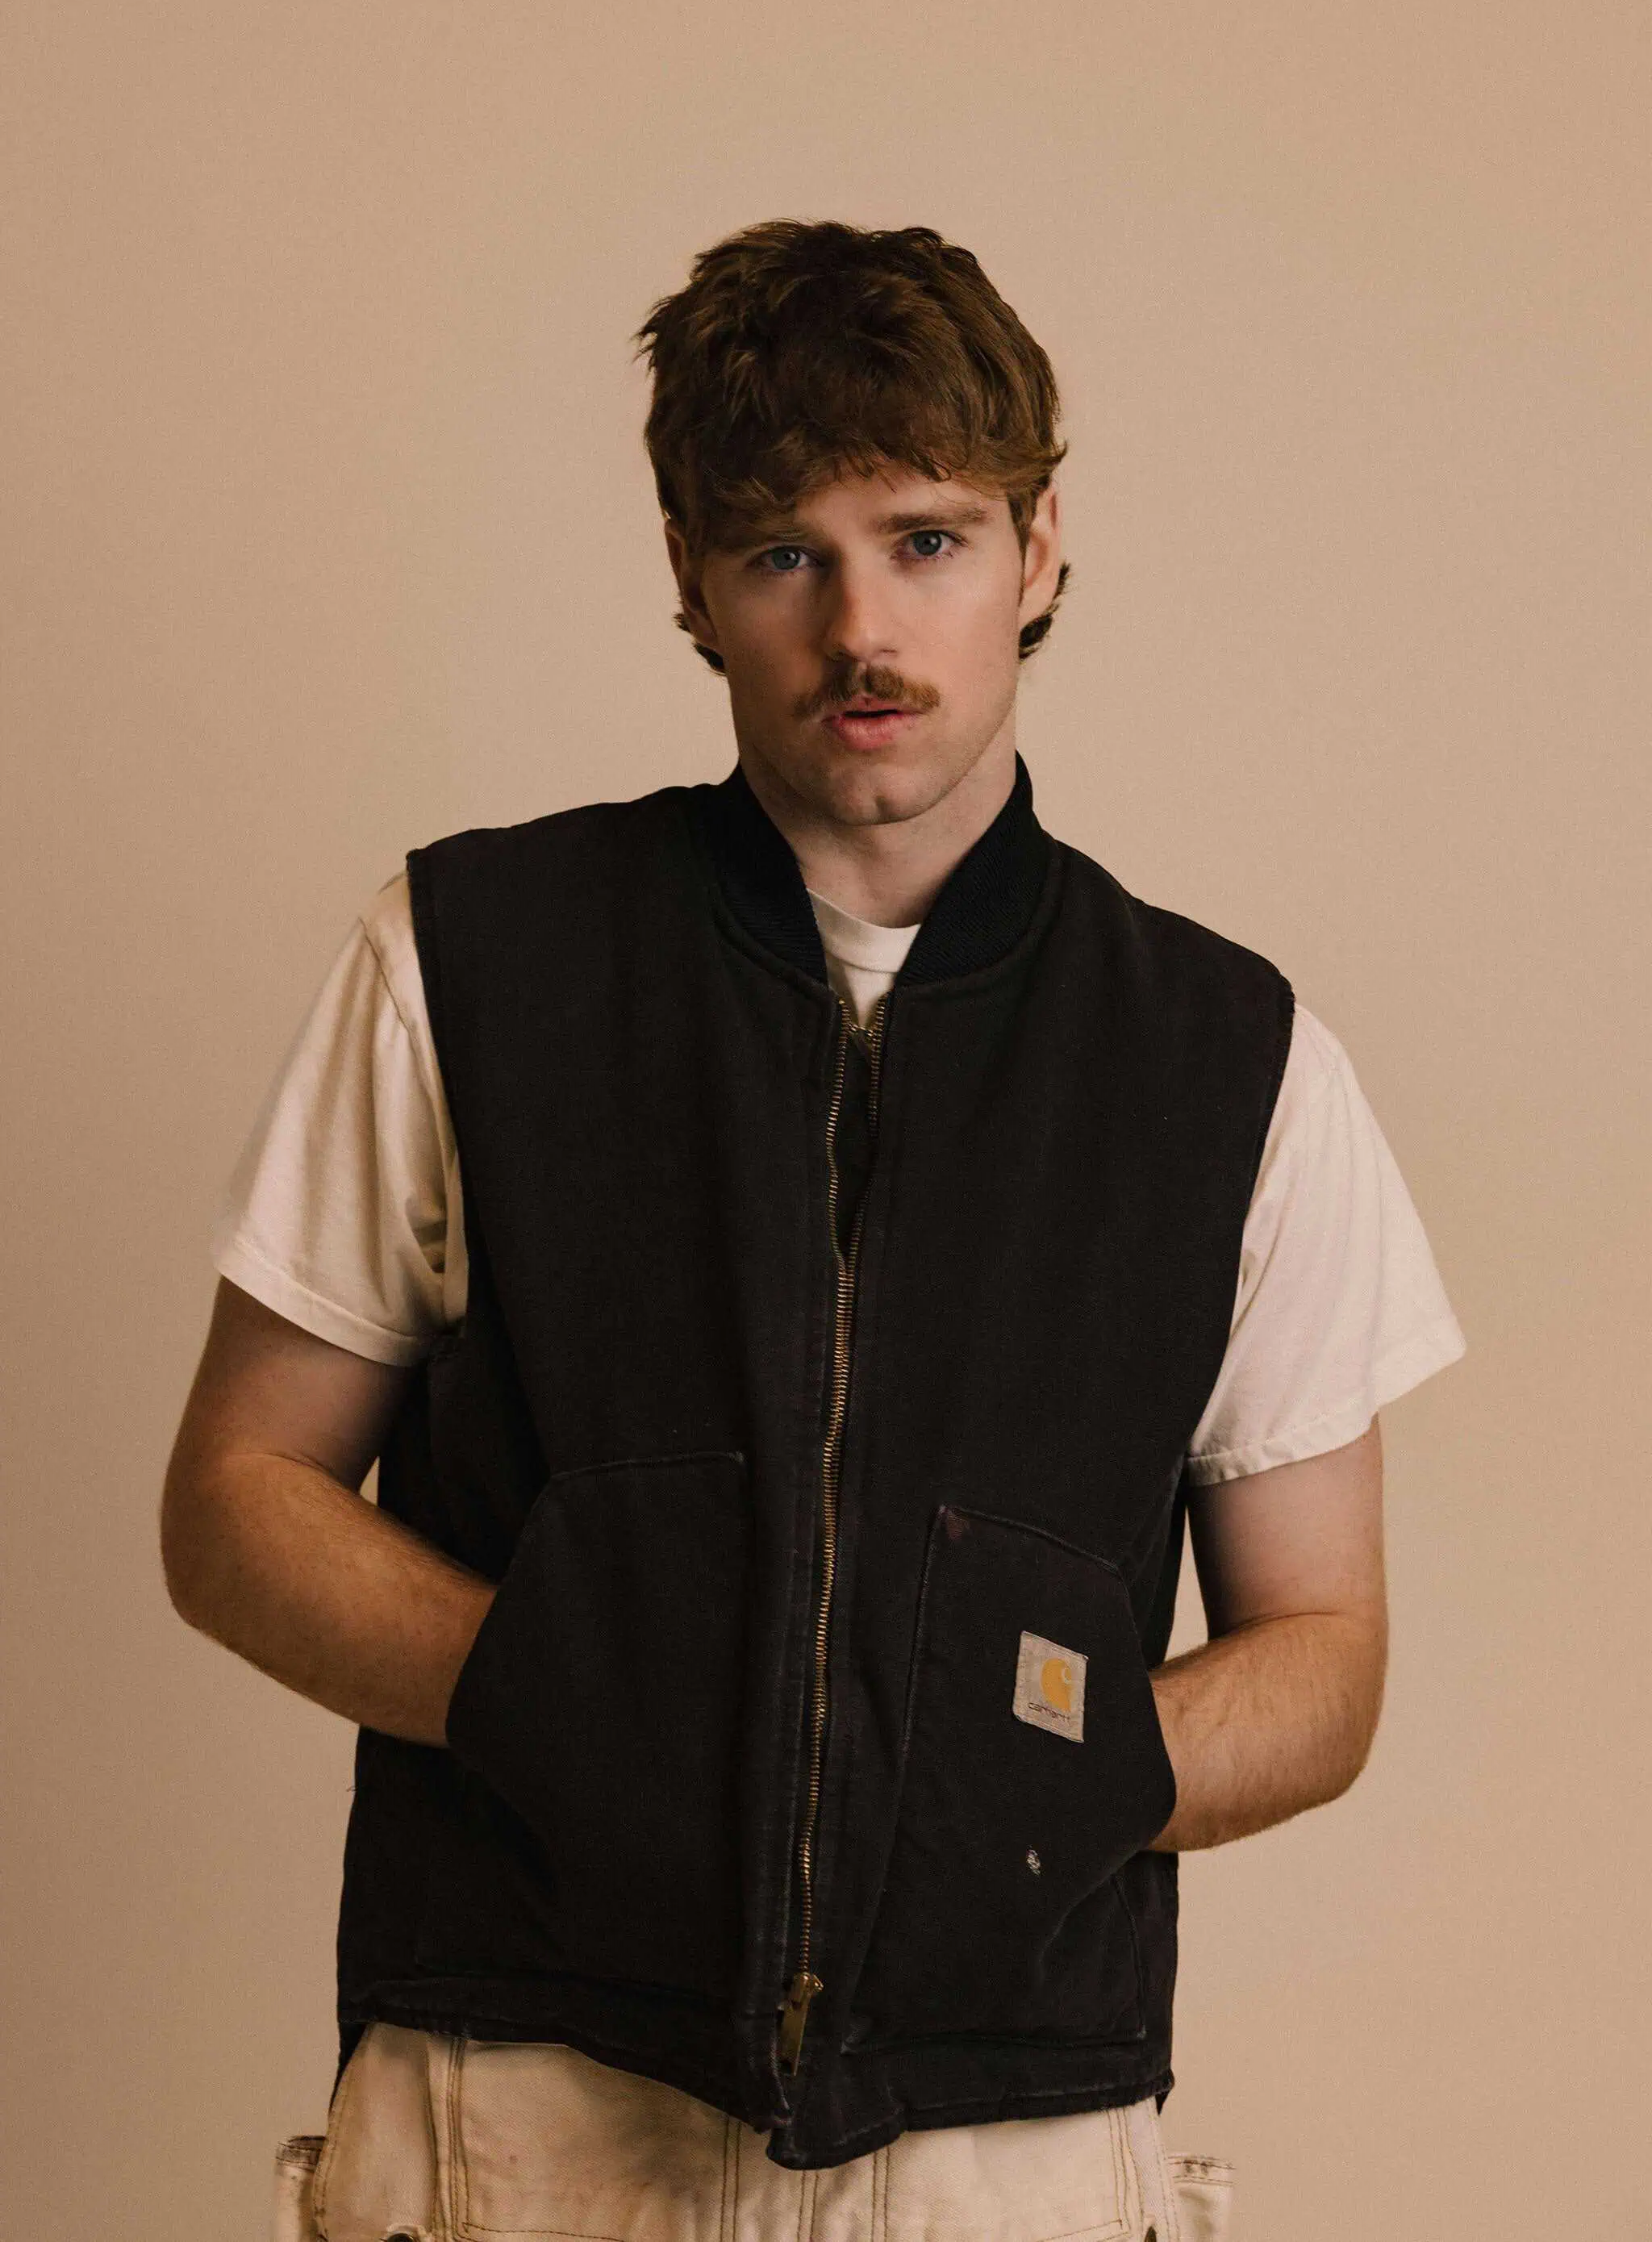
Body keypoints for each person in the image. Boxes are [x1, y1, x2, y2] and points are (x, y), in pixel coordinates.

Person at [162, 219, 1466, 2242]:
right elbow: (237, 1500)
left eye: (926, 539)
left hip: (1007, 2152)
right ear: (691, 580)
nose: (862, 625)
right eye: (785, 552)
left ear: (1037, 550)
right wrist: (561, 1690)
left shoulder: (1232, 1058)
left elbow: (1326, 1646)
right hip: (520, 2115)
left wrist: (1028, 1778)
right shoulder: (472, 961)